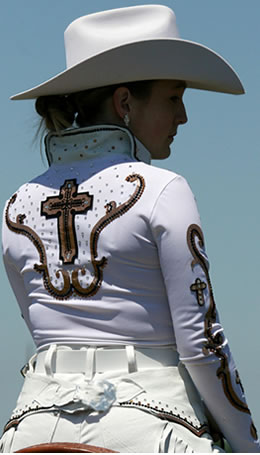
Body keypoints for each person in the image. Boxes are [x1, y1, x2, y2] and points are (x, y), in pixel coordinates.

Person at [1, 4, 259, 453]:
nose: (184, 117)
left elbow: (41, 329)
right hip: (151, 428)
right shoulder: (164, 189)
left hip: (31, 427)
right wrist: (247, 443)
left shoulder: (16, 205)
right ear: (124, 102)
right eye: (174, 98)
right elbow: (202, 346)